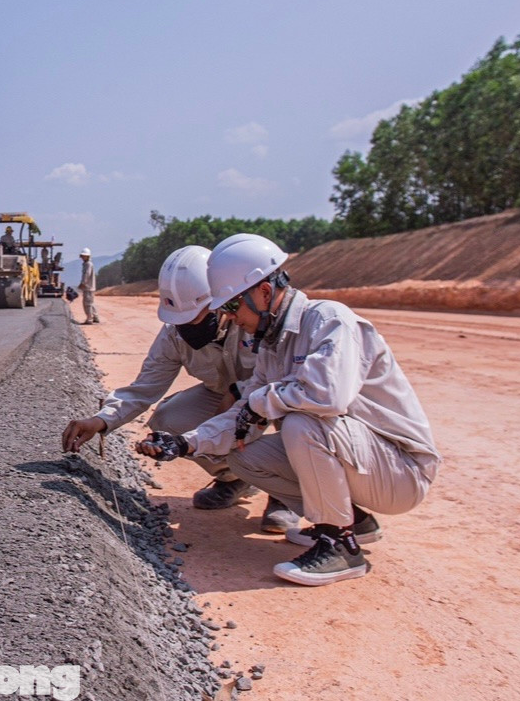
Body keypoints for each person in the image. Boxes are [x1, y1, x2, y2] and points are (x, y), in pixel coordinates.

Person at [140, 234, 441, 586]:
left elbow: (328, 396)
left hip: (400, 471)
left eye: (234, 307)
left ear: (264, 293)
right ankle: (354, 521)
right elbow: (244, 415)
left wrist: (258, 402)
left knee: (302, 423)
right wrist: (186, 443)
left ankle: (339, 545)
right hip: (362, 461)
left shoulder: (330, 321)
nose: (231, 319)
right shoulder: (273, 347)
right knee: (244, 458)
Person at [62, 246, 298, 530]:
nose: (187, 328)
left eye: (195, 318)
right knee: (169, 419)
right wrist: (101, 421)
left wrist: (239, 394)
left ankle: (286, 495)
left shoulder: (255, 319)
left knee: (292, 414)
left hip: (270, 394)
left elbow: (286, 374)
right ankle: (234, 479)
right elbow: (144, 388)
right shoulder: (174, 334)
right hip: (219, 395)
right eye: (181, 321)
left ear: (221, 303)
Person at [77, 248, 99, 324]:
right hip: (90, 287)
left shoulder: (88, 264)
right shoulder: (87, 264)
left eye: (84, 256)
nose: (82, 257)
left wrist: (82, 283)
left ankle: (89, 319)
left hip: (88, 287)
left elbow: (86, 274)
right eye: (82, 256)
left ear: (88, 256)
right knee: (91, 303)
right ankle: (95, 317)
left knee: (87, 304)